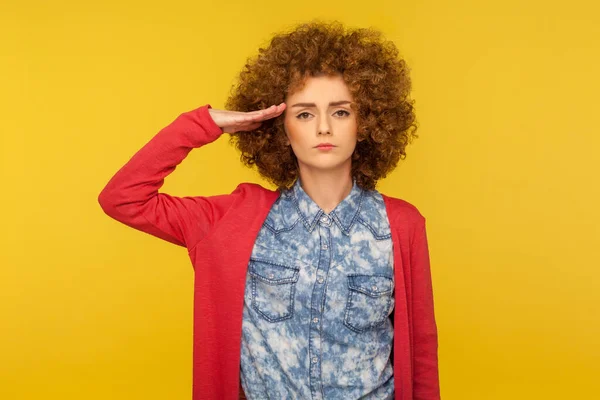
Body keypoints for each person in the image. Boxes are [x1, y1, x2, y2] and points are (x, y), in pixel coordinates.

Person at [98, 21, 440, 400]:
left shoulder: (402, 225)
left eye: (341, 112)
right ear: (281, 127)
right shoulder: (233, 220)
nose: (324, 127)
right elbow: (123, 198)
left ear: (367, 123)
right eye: (305, 114)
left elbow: (421, 352)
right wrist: (204, 124)